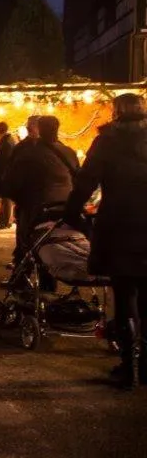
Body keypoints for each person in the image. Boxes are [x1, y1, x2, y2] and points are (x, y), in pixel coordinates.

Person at [65, 94, 147, 389]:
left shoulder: (107, 142)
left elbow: (86, 181)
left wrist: (71, 212)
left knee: (125, 298)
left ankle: (130, 367)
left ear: (116, 113)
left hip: (120, 226)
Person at [6, 116, 78, 289]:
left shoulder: (29, 153)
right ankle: (48, 283)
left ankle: (26, 284)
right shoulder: (67, 151)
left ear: (39, 129)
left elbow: (14, 181)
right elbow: (78, 176)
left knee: (30, 245)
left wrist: (18, 201)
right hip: (63, 206)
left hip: (35, 207)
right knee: (53, 243)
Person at [8, 115, 40, 264]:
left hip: (29, 199)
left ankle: (23, 271)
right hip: (35, 200)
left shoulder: (23, 148)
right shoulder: (57, 146)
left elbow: (12, 173)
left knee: (26, 234)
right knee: (33, 235)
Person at [0, 122, 16, 229]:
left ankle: (5, 221)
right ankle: (3, 220)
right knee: (5, 198)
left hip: (4, 174)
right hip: (5, 174)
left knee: (6, 198)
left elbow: (4, 160)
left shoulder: (6, 142)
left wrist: (1, 174)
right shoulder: (8, 140)